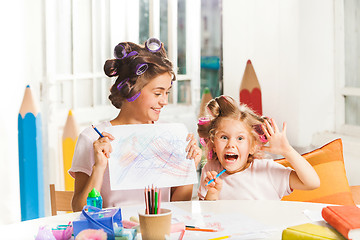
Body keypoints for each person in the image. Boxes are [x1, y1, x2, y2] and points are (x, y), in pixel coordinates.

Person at [70, 38, 201, 211]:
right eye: (157, 93)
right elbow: (79, 210)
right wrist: (99, 167)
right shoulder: (92, 138)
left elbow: (179, 209)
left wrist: (188, 168)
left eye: (167, 92)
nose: (164, 101)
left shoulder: (170, 135)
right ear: (131, 89)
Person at [197, 95, 320, 201]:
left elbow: (312, 183)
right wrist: (212, 193)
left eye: (240, 138)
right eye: (224, 137)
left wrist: (287, 151)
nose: (231, 144)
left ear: (252, 146)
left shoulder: (266, 170)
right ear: (213, 144)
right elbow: (207, 214)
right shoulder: (211, 170)